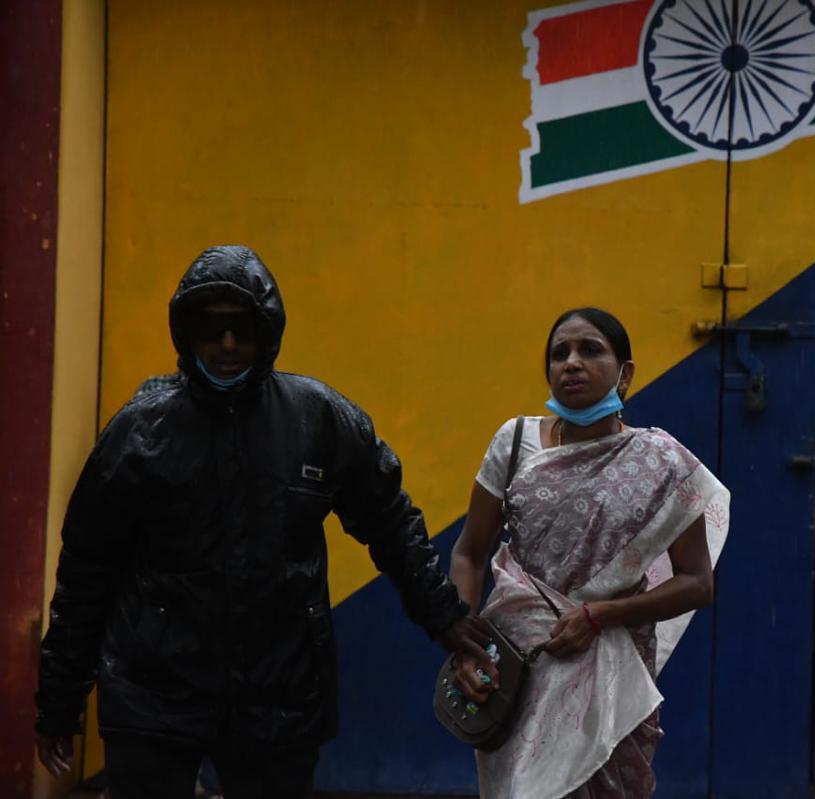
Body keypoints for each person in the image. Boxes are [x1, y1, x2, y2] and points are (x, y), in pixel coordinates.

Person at [35, 245, 490, 798]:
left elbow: (391, 523)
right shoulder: (139, 433)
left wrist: (444, 618)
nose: (228, 344)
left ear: (267, 332)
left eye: (243, 329)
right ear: (187, 333)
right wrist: (60, 697)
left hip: (280, 691)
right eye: (212, 328)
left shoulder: (318, 418)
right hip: (153, 690)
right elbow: (87, 570)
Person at [448, 307, 730, 798]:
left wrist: (599, 616)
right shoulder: (515, 442)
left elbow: (697, 583)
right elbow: (469, 556)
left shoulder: (662, 462)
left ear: (626, 373)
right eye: (560, 354)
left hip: (610, 677)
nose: (571, 363)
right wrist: (463, 645)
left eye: (590, 350)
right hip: (516, 669)